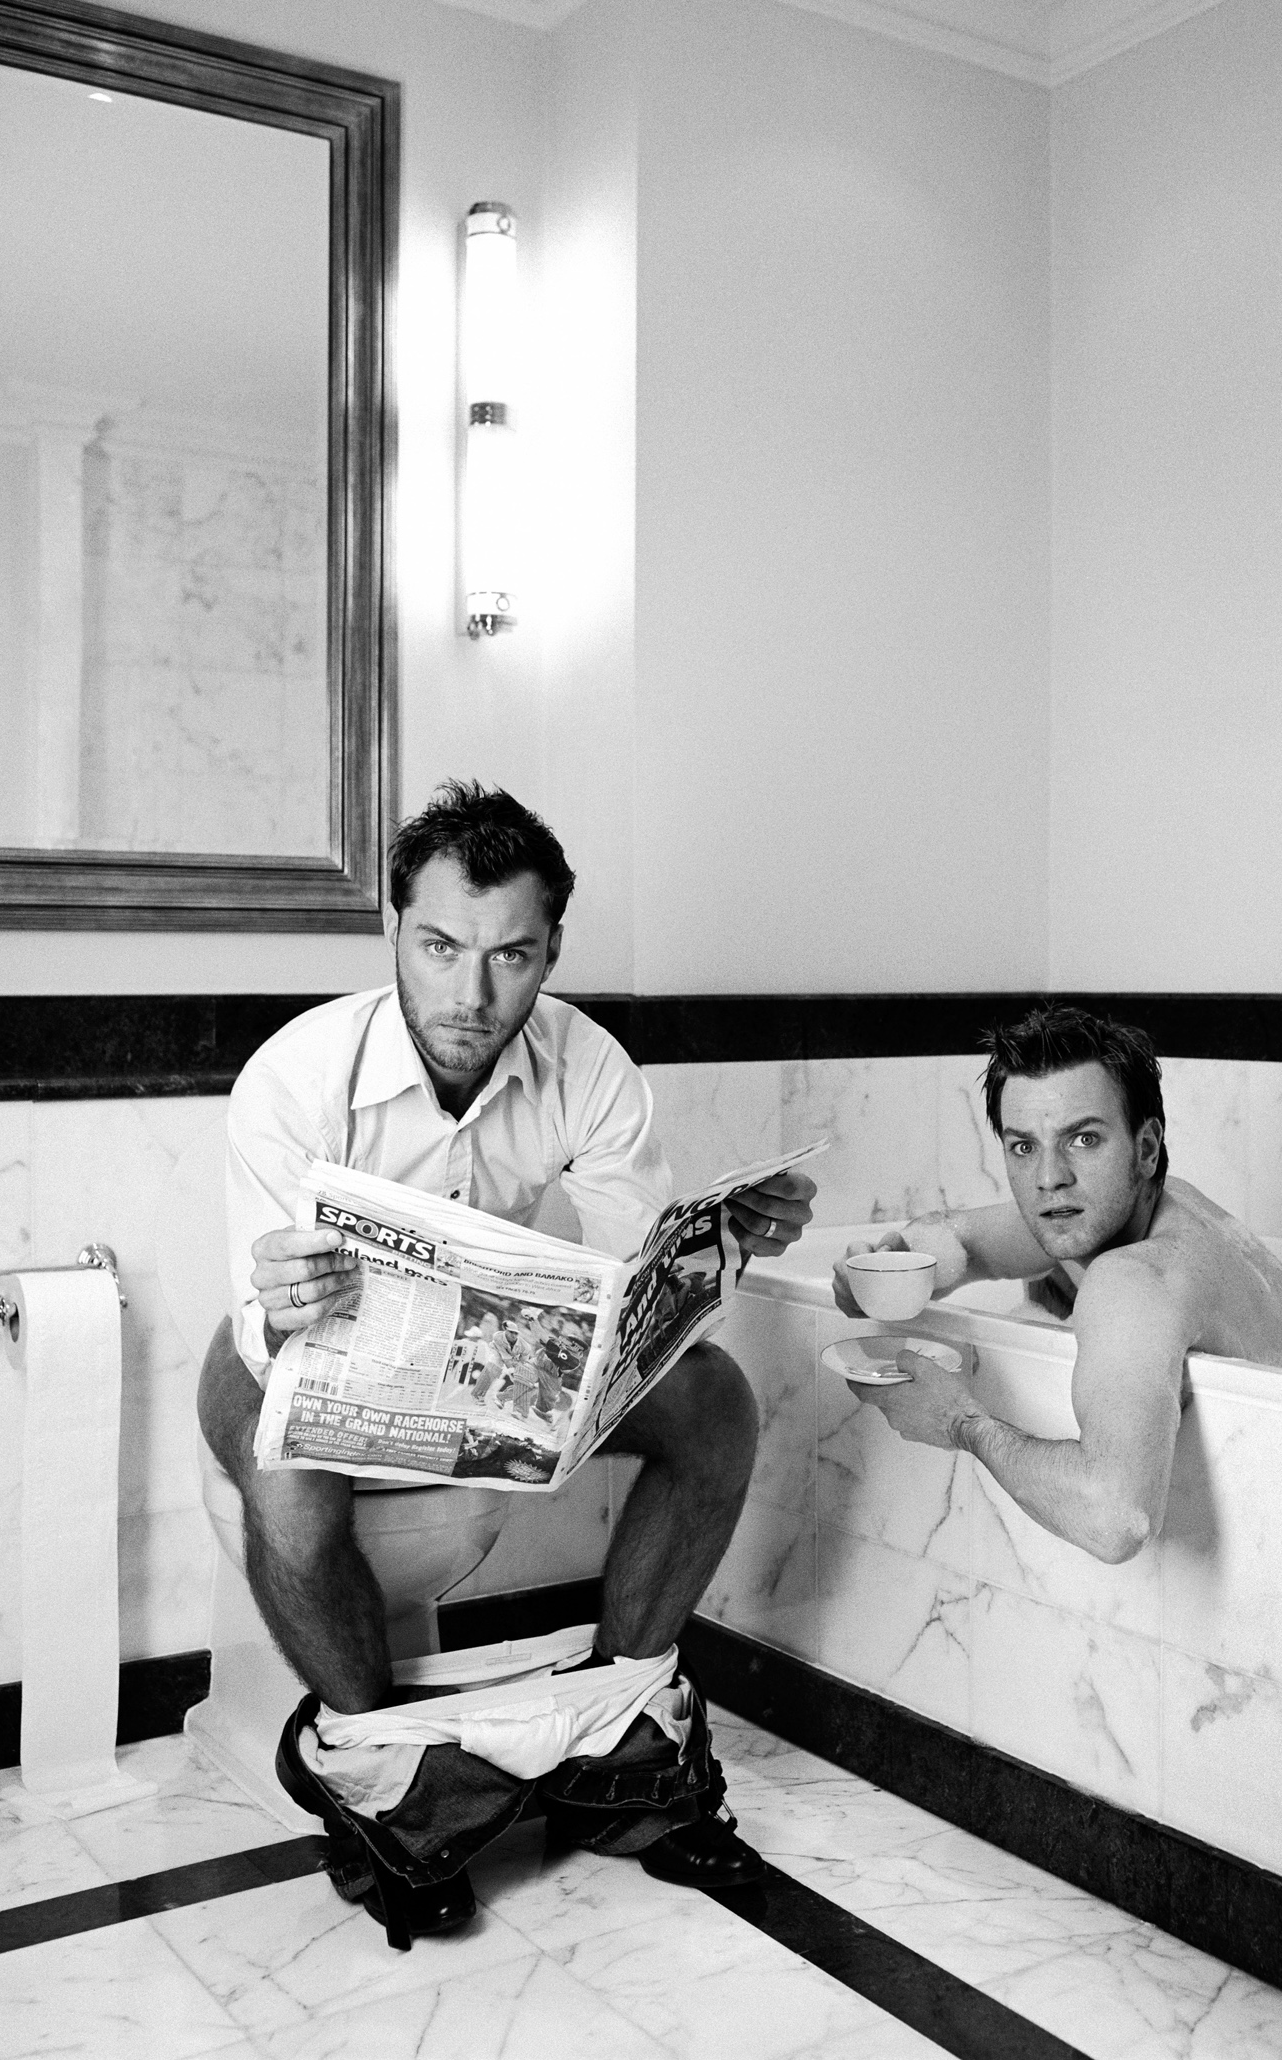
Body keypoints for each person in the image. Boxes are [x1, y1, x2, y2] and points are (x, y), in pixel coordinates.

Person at [197, 780, 815, 1941]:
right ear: (391, 930)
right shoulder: (294, 1076)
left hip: (501, 1358)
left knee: (716, 1404)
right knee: (284, 1470)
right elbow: (254, 1318)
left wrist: (707, 1258)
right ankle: (383, 1779)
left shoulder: (591, 1068)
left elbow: (633, 1282)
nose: (472, 993)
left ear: (551, 950)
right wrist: (286, 1300)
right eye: (438, 946)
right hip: (306, 1349)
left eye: (510, 955)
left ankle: (625, 1723)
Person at [833, 1005, 1282, 1566]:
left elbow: (1116, 1520)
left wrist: (959, 1421)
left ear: (1146, 1148)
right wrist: (889, 1271)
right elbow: (967, 1241)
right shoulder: (1129, 1207)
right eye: (1023, 1146)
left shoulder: (1137, 1279)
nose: (1049, 1176)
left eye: (1082, 1140)